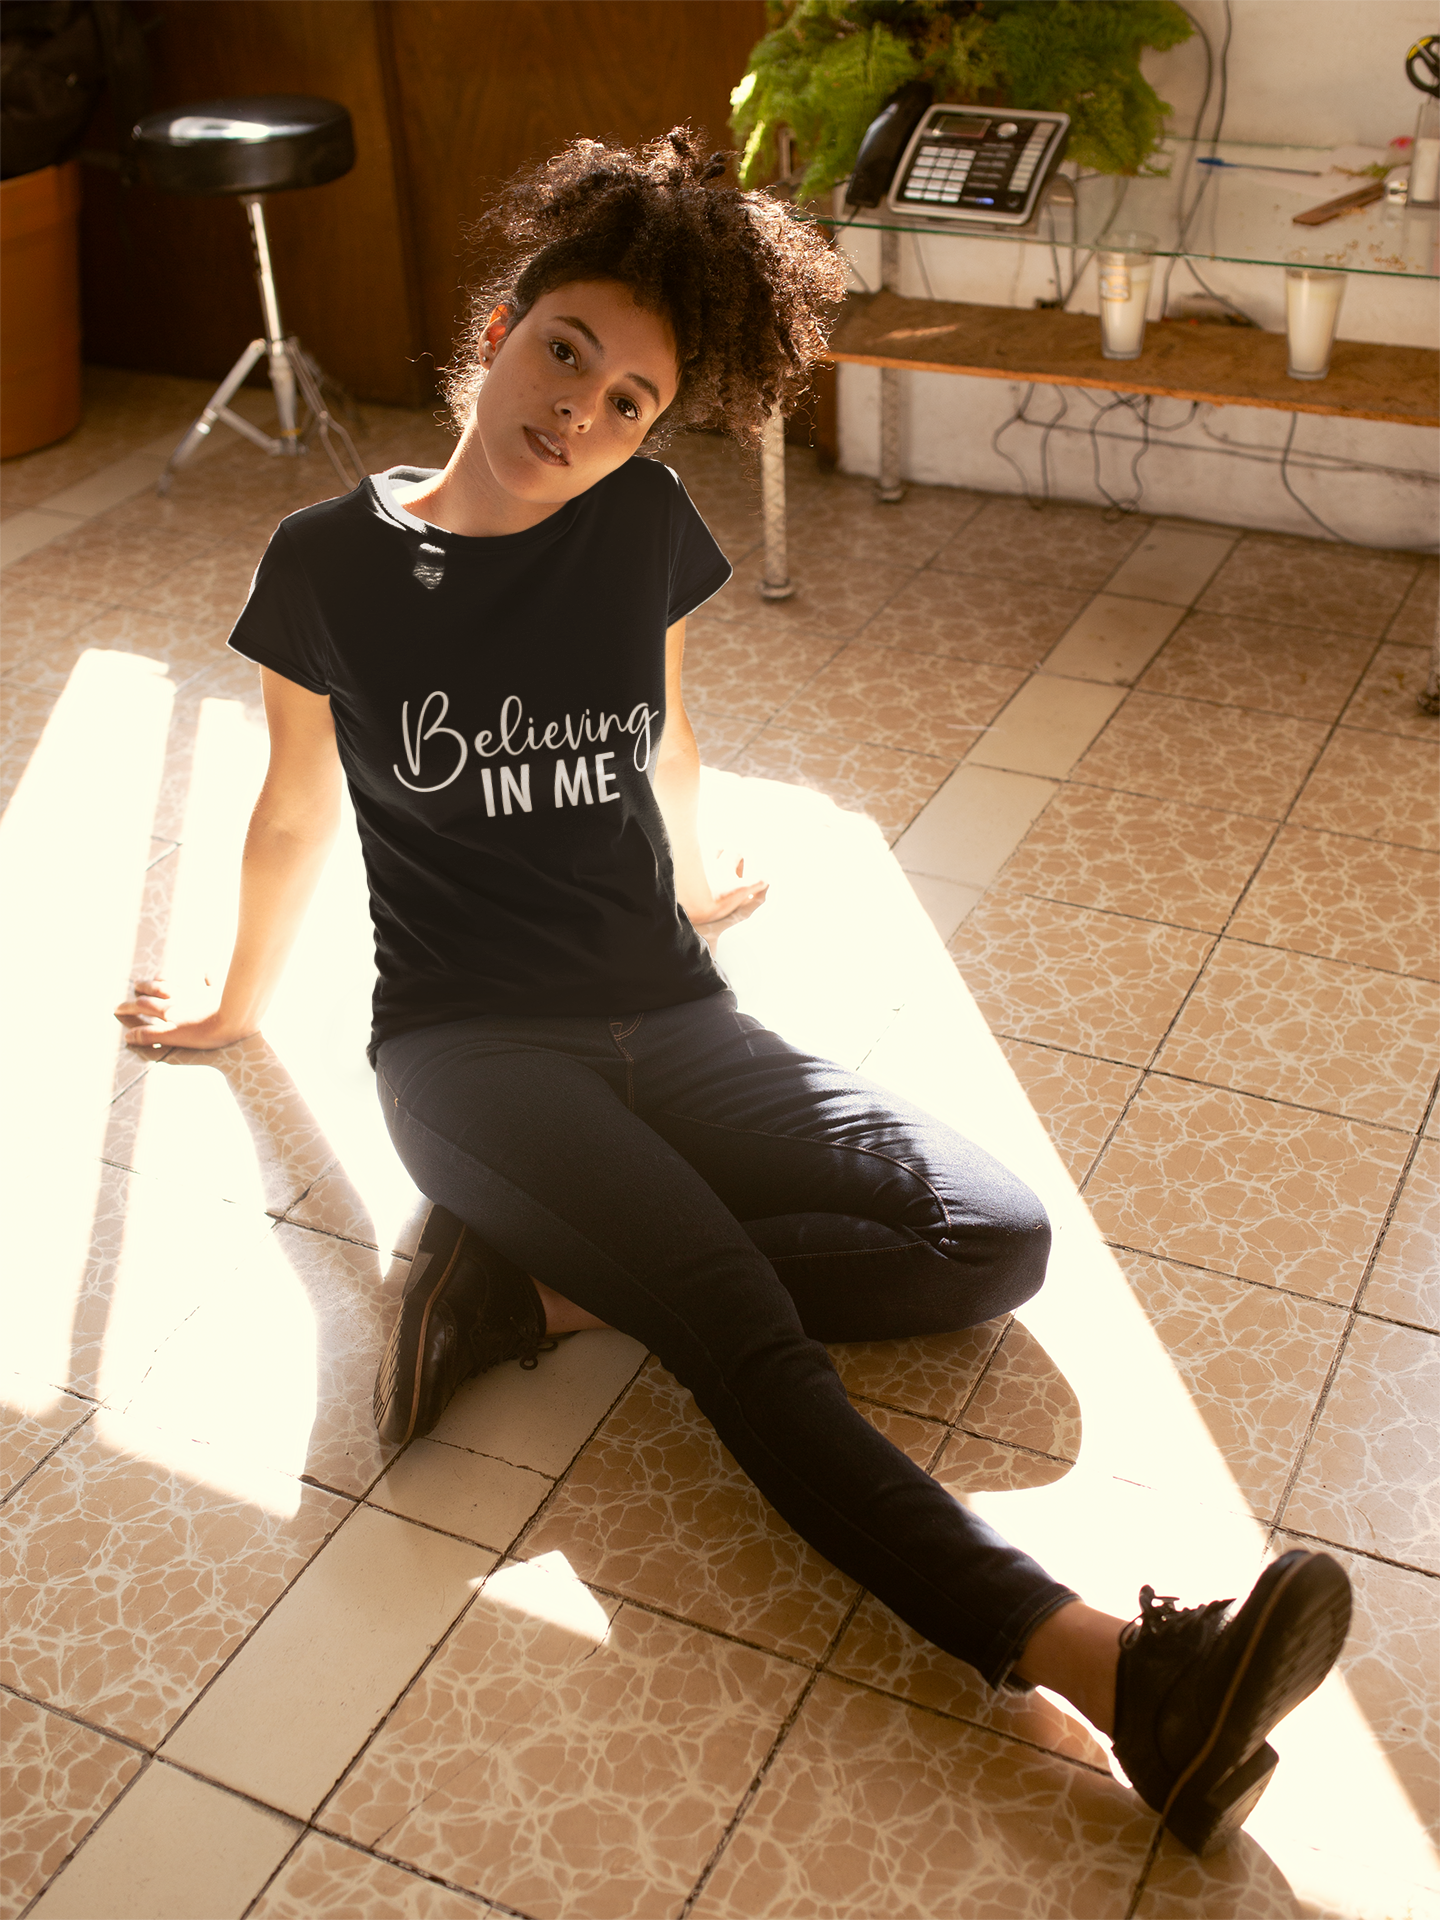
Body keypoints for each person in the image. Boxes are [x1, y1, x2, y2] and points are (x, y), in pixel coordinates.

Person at [115, 128, 1351, 1858]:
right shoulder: (327, 563)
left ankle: (525, 1287)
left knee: (993, 1238)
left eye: (629, 400)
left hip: (676, 1016)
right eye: (565, 354)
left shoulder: (639, 527)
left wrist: (695, 879)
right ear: (498, 331)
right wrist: (240, 1008)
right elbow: (294, 809)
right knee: (743, 1334)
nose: (581, 411)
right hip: (475, 1057)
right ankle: (1127, 1679)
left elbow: (664, 731)